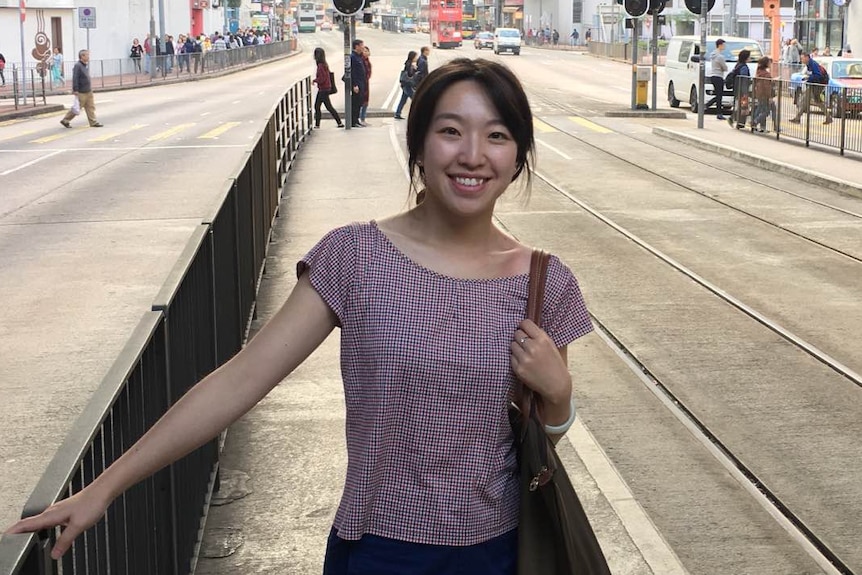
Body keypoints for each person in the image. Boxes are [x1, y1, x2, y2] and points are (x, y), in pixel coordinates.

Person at [5, 58, 590, 574]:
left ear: (517, 157)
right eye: (450, 132)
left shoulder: (542, 281)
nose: (472, 156)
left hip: (499, 553)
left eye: (496, 136)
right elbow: (240, 379)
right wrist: (105, 487)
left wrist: (559, 395)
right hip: (378, 552)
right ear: (418, 144)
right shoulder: (355, 257)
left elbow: (545, 436)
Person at [60, 50, 103, 128]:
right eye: (87, 55)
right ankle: (65, 120)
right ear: (82, 56)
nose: (88, 57)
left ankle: (93, 122)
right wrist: (75, 89)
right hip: (81, 91)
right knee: (77, 107)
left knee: (90, 107)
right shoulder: (78, 66)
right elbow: (75, 78)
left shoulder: (84, 65)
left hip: (88, 90)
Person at [789, 51, 832, 125]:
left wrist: (808, 79)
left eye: (802, 58)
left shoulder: (813, 64)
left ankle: (797, 118)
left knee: (805, 100)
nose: (801, 60)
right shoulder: (810, 64)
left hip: (818, 84)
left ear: (807, 57)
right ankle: (828, 117)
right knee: (816, 101)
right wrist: (808, 78)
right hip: (816, 84)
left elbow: (817, 75)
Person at [312, 47, 343, 129]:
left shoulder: (320, 66)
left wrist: (314, 80)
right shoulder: (324, 64)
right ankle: (339, 122)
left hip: (323, 89)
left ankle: (317, 125)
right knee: (327, 107)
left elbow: (322, 78)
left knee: (318, 106)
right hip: (326, 88)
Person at [727, 49, 752, 129]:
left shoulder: (738, 65)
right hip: (742, 90)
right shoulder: (744, 67)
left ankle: (738, 122)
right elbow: (743, 80)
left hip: (737, 89)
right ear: (746, 58)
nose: (750, 58)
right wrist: (745, 92)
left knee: (739, 106)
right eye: (749, 57)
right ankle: (739, 122)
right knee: (743, 106)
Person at [704, 38, 728, 120]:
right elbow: (725, 68)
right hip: (718, 76)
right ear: (720, 45)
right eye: (724, 45)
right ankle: (718, 112)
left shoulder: (713, 55)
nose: (724, 46)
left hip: (713, 75)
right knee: (719, 95)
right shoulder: (720, 57)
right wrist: (724, 68)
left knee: (718, 94)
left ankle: (708, 105)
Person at [752, 56, 776, 132]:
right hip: (765, 95)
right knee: (766, 111)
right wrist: (770, 97)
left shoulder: (758, 71)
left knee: (760, 109)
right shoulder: (766, 75)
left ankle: (761, 127)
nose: (770, 64)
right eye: (769, 62)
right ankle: (755, 122)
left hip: (759, 94)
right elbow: (767, 87)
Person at [394, 50, 418, 120]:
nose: (416, 58)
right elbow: (410, 74)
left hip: (405, 84)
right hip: (407, 84)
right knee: (415, 99)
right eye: (416, 56)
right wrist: (414, 69)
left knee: (403, 99)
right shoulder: (409, 64)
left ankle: (397, 113)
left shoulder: (408, 63)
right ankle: (415, 114)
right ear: (412, 57)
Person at [349, 38, 367, 128]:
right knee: (355, 103)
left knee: (359, 102)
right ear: (357, 46)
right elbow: (352, 72)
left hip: (362, 83)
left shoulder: (359, 56)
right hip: (357, 84)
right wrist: (354, 85)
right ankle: (353, 121)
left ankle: (356, 120)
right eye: (362, 45)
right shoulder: (353, 57)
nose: (363, 47)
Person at [359, 45, 372, 126]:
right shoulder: (361, 60)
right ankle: (360, 119)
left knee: (365, 102)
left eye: (367, 51)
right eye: (364, 51)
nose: (366, 52)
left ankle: (363, 118)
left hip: (366, 83)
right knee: (362, 102)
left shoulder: (367, 61)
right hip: (362, 83)